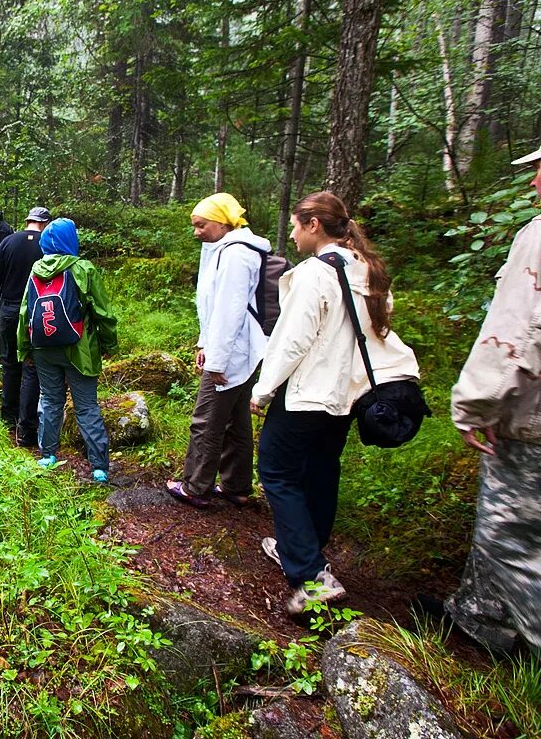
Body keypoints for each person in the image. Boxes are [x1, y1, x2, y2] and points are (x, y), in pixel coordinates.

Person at [250, 191, 420, 615]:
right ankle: (302, 546)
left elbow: (292, 342)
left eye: (294, 224)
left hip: (308, 393)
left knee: (276, 469)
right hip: (348, 395)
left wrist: (263, 390)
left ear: (313, 225)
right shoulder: (368, 270)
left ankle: (311, 576)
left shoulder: (313, 275)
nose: (291, 233)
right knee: (321, 470)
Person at [443, 145, 541, 657]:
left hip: (529, 422)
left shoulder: (538, 238)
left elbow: (517, 335)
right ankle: (481, 615)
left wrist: (476, 405)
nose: (534, 183)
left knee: (509, 536)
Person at [168, 193, 270, 508]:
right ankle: (236, 485)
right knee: (236, 419)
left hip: (233, 353)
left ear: (222, 221)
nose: (196, 232)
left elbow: (229, 312)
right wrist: (204, 342)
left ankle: (195, 486)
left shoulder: (236, 255)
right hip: (242, 351)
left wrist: (216, 361)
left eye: (201, 225)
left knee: (206, 419)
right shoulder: (226, 249)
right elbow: (212, 306)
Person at [19, 218, 118, 484]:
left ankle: (48, 455)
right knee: (86, 407)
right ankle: (99, 467)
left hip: (43, 348)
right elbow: (102, 313)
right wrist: (109, 344)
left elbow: (25, 313)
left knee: (50, 401)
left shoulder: (36, 270)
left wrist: (24, 348)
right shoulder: (83, 268)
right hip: (79, 348)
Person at [0, 206, 49, 445]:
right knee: (32, 367)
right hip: (38, 310)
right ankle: (27, 427)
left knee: (10, 363)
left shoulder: (9, 241)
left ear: (28, 221)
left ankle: (8, 417)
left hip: (10, 309)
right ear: (45, 223)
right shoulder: (49, 245)